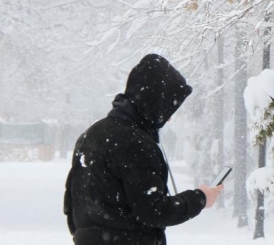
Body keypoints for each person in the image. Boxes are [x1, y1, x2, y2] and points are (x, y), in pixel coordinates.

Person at [64, 54, 224, 245]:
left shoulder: (90, 135)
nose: (168, 118)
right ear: (156, 101)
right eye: (168, 109)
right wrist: (200, 198)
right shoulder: (136, 144)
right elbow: (154, 211)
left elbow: (72, 204)